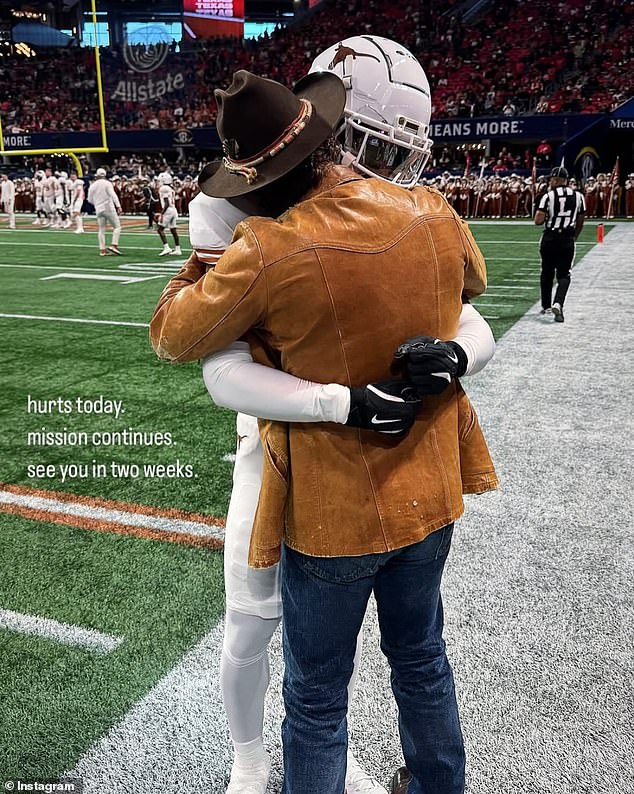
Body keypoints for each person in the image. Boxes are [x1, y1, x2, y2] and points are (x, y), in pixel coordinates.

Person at [150, 67, 498, 794]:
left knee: (314, 699)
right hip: (430, 494)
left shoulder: (269, 248)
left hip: (334, 506)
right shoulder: (431, 208)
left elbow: (176, 339)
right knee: (424, 660)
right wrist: (459, 352)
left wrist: (199, 259)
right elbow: (472, 293)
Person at [534, 166, 585, 323]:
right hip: (567, 238)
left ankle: (546, 305)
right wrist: (574, 237)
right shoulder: (578, 196)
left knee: (547, 272)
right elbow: (581, 220)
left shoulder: (548, 196)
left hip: (550, 237)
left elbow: (538, 220)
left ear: (556, 180)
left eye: (552, 179)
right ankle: (558, 303)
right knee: (564, 274)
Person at [87, 168, 122, 257]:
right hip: (108, 206)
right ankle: (114, 245)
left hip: (98, 208)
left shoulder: (93, 185)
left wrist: (97, 204)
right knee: (117, 227)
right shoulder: (107, 183)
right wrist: (118, 205)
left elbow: (89, 199)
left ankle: (102, 250)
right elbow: (112, 195)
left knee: (101, 229)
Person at [156, 171, 182, 256]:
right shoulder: (170, 188)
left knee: (160, 229)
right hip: (173, 210)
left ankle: (166, 247)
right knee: (173, 230)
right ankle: (178, 249)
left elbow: (166, 202)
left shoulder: (163, 188)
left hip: (168, 210)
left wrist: (162, 213)